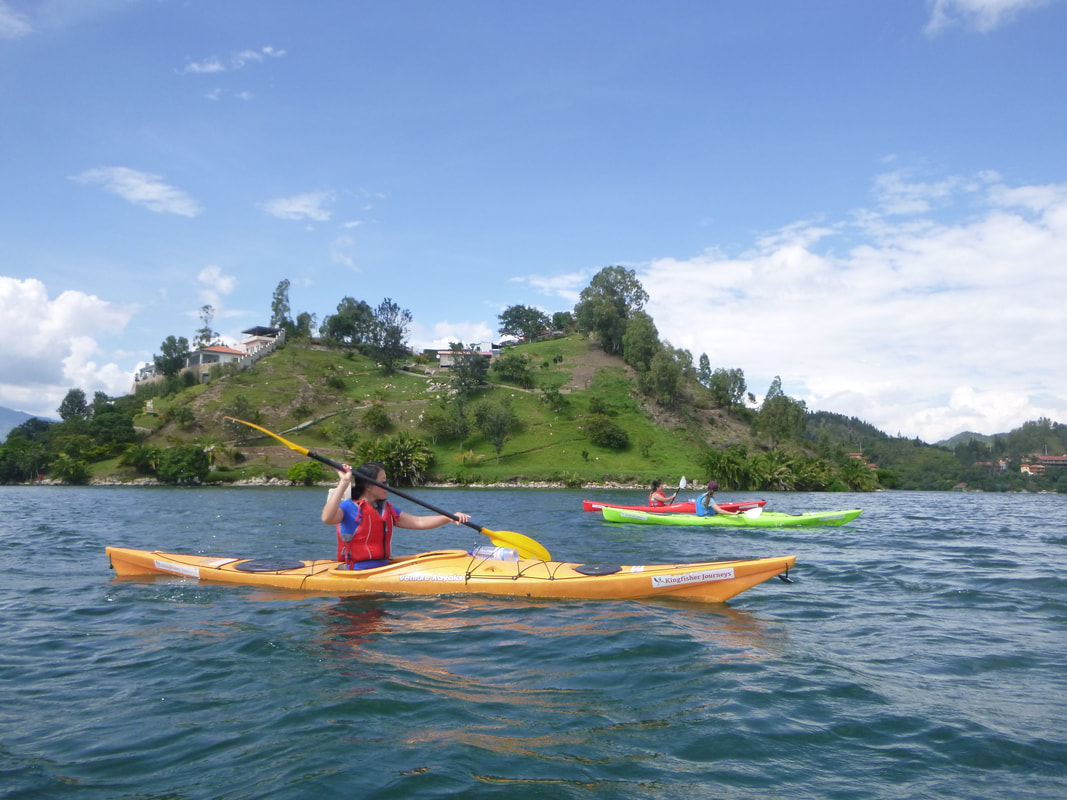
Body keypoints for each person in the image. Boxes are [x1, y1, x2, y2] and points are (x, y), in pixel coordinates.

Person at [322, 461, 471, 569]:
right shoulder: (349, 507)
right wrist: (344, 482)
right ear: (368, 485)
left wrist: (448, 517)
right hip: (356, 571)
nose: (387, 487)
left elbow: (418, 521)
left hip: (383, 567)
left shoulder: (386, 508)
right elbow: (327, 518)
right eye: (383, 482)